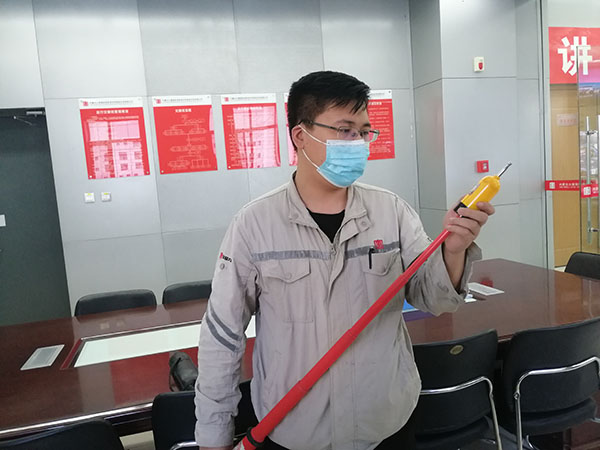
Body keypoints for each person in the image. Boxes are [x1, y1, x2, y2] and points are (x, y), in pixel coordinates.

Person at [195, 71, 494, 450]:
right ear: (300, 135)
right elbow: (222, 337)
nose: (358, 142)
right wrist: (213, 436)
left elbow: (433, 299)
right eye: (344, 130)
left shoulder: (391, 211)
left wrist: (453, 250)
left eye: (364, 132)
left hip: (386, 426)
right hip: (294, 431)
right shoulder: (254, 225)